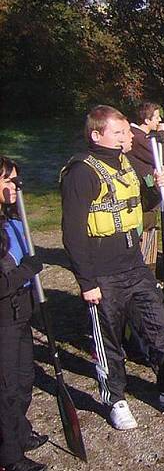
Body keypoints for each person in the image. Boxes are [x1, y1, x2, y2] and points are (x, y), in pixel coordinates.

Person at [60, 105, 164, 431]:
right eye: (118, 132)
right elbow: (72, 233)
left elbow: (139, 205)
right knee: (109, 339)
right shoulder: (82, 173)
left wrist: (157, 188)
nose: (127, 137)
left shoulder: (125, 164)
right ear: (97, 135)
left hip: (134, 265)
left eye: (125, 131)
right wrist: (86, 281)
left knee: (160, 326)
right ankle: (114, 398)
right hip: (101, 271)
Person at [1, 157, 48, 471]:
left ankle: (18, 432)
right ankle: (9, 456)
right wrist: (26, 271)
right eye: (7, 182)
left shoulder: (9, 216)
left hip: (20, 311)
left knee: (23, 379)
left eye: (16, 180)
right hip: (3, 315)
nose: (15, 188)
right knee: (5, 388)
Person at [127, 101, 164, 268]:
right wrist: (162, 135)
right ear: (146, 120)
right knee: (147, 229)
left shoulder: (140, 136)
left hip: (148, 190)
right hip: (143, 193)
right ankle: (146, 269)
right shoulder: (137, 138)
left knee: (149, 228)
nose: (159, 120)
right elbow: (162, 157)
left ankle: (149, 268)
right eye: (156, 117)